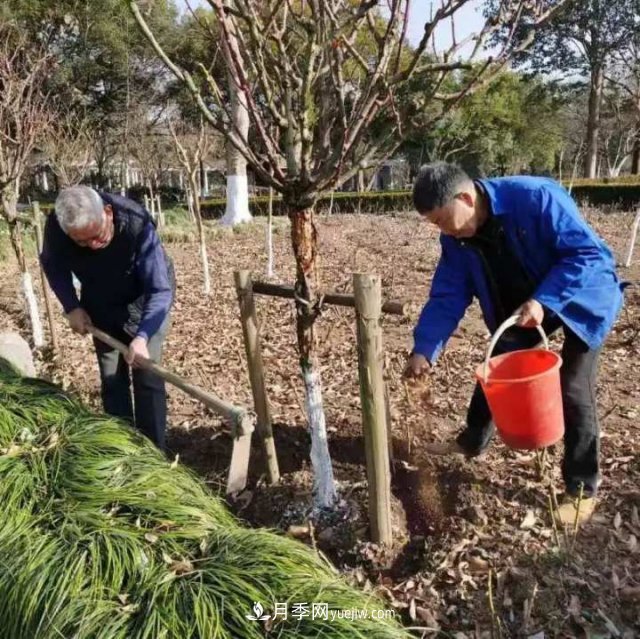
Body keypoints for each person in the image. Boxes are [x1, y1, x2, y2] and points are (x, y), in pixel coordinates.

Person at [405, 162, 625, 525]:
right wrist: (424, 349)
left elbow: (588, 255)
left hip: (581, 296)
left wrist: (545, 300)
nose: (442, 230)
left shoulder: (535, 197)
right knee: (499, 363)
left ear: (465, 197)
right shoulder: (456, 239)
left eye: (443, 220)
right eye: (435, 225)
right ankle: (471, 441)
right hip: (526, 305)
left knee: (573, 386)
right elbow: (448, 293)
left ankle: (582, 488)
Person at [41, 185, 175, 450]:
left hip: (144, 303)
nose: (92, 246)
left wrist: (143, 337)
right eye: (82, 241)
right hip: (100, 302)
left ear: (109, 213)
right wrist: (71, 305)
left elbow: (159, 290)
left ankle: (153, 453)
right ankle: (121, 447)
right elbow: (52, 264)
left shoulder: (137, 224)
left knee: (147, 376)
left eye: (98, 237)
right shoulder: (58, 227)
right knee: (112, 377)